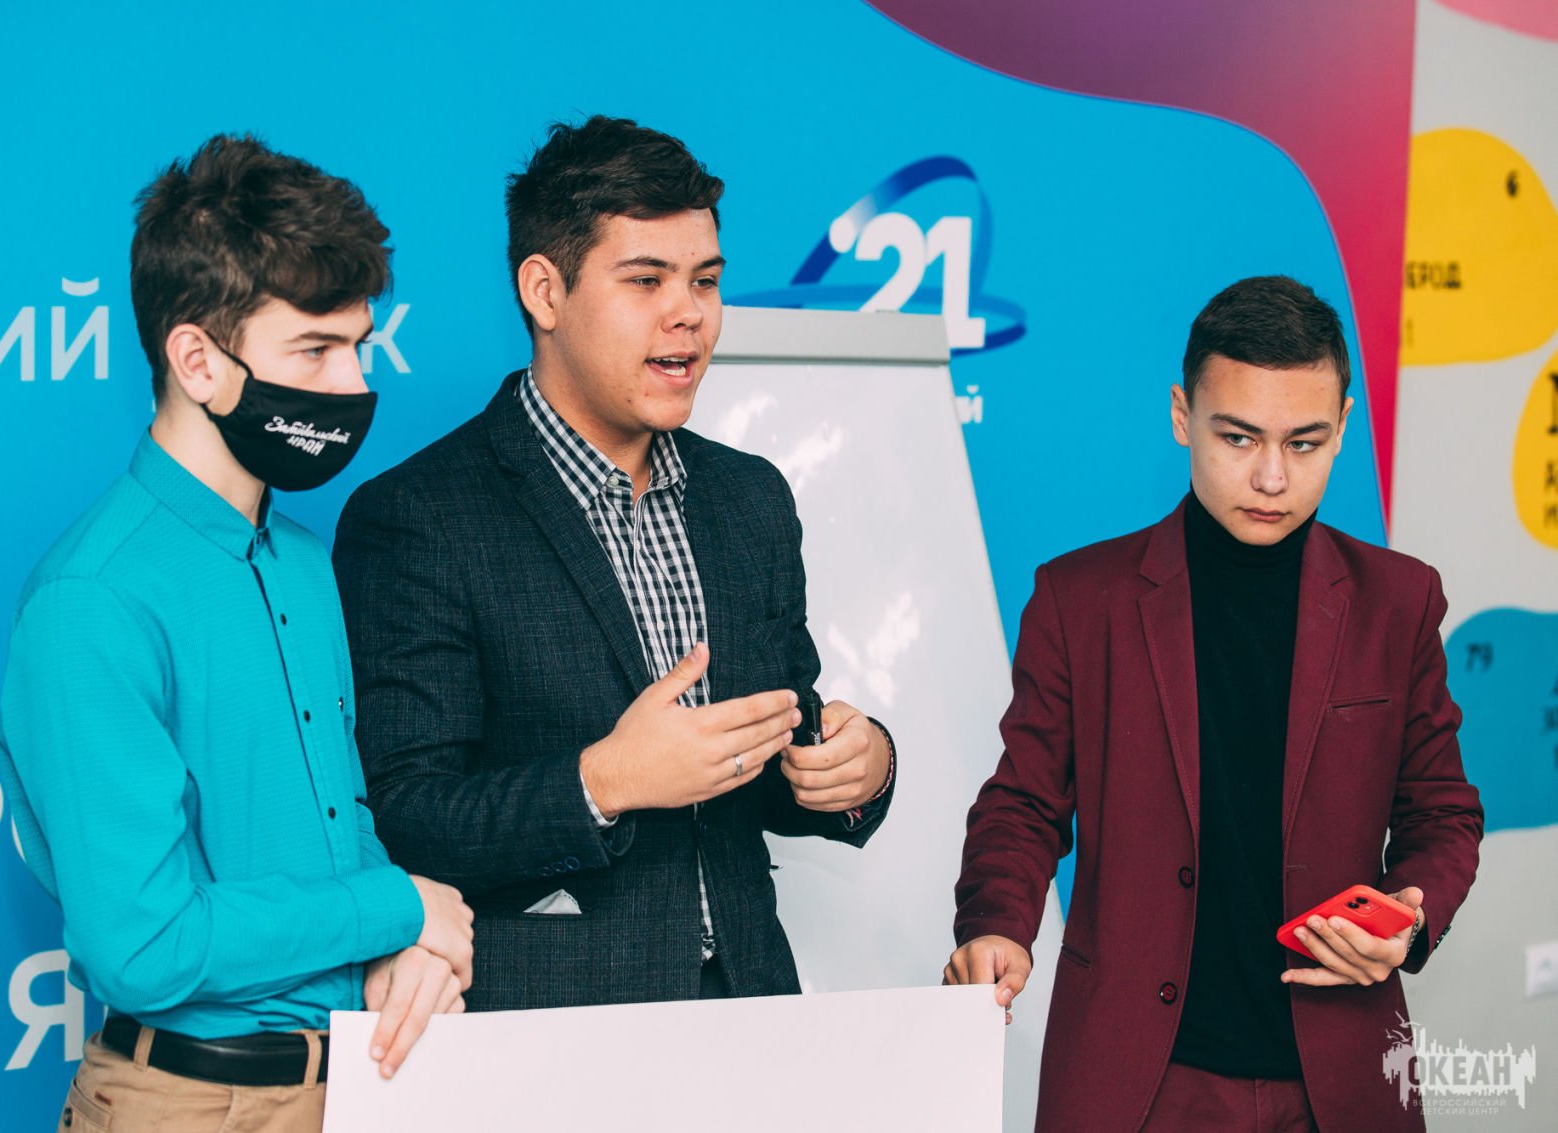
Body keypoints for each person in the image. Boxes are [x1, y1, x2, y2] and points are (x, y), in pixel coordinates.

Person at [333, 115, 896, 1009]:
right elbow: (404, 818)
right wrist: (605, 781)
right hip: (553, 1032)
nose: (688, 313)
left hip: (751, 1009)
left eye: (705, 280)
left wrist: (853, 770)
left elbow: (779, 744)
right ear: (544, 291)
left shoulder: (749, 498)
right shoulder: (420, 517)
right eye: (645, 280)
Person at [0, 134, 473, 1133]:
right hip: (189, 1104)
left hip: (359, 1083)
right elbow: (144, 944)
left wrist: (403, 944)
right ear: (197, 360)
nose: (353, 383)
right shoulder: (92, 598)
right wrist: (396, 906)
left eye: (360, 345)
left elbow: (337, 822)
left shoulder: (301, 558)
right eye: (315, 350)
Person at [947, 276, 1483, 1131]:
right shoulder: (1079, 600)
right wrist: (997, 923)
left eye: (1304, 443)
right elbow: (1025, 801)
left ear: (1344, 425)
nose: (1271, 476)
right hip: (1138, 1078)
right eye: (1238, 437)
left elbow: (1442, 813)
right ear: (1181, 416)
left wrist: (1406, 920)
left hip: (1343, 1076)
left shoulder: (1400, 600)